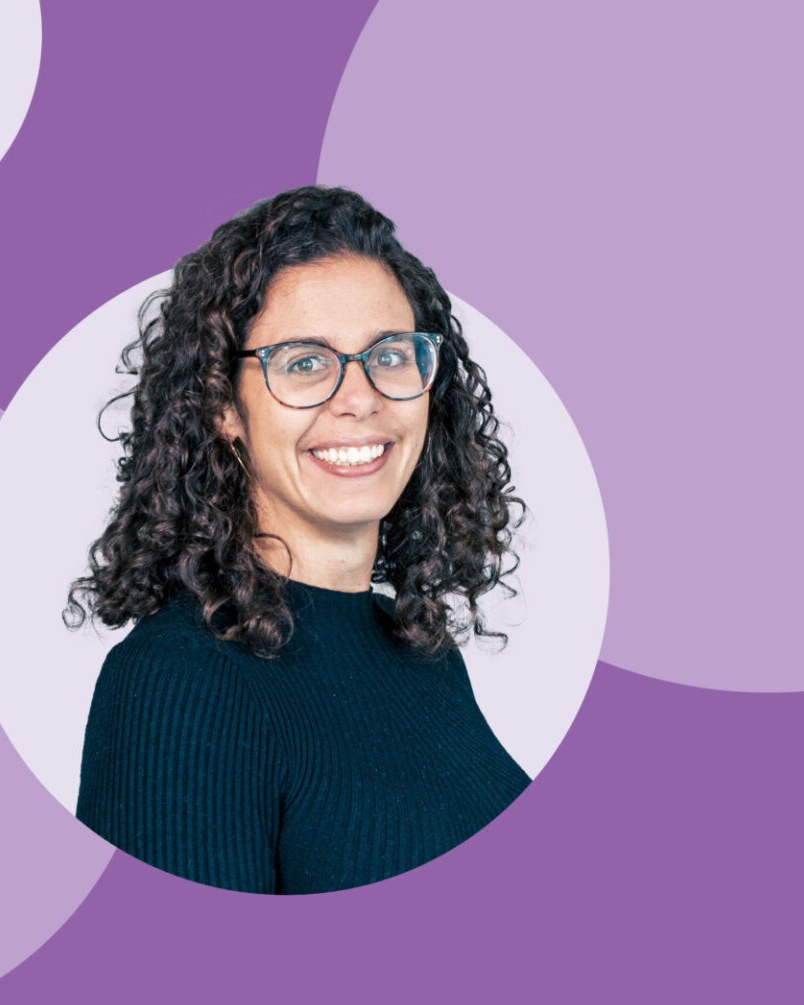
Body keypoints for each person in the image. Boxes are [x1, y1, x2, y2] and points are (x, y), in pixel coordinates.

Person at [64, 186, 529, 894]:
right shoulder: (178, 682)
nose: (361, 397)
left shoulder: (417, 651)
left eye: (392, 355)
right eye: (305, 362)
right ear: (224, 405)